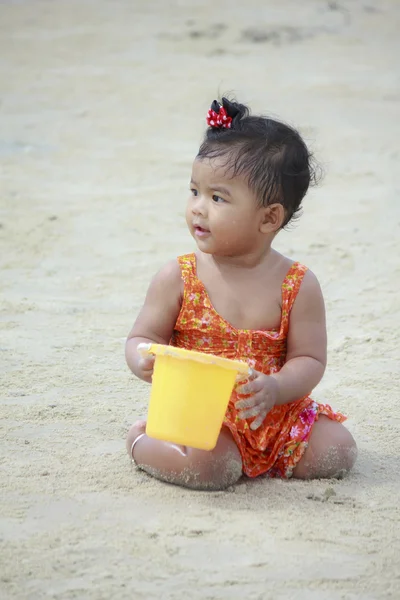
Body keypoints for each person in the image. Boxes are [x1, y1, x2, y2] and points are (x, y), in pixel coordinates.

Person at [125, 97, 357, 490]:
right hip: (199, 415)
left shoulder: (297, 284)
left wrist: (277, 387)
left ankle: (259, 457)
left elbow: (309, 358)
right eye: (194, 191)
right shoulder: (179, 277)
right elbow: (141, 337)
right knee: (211, 468)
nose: (198, 208)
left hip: (271, 410)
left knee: (338, 450)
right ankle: (141, 440)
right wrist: (142, 357)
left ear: (269, 217)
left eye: (217, 198)